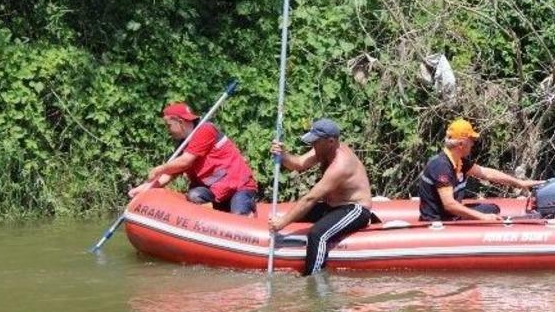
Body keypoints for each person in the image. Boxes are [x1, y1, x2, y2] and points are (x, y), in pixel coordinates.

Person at [268, 118, 373, 276]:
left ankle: (312, 278)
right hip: (334, 207)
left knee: (317, 234)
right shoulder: (323, 150)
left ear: (330, 141)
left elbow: (310, 199)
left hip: (355, 209)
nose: (313, 145)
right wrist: (283, 155)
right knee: (297, 214)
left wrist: (281, 223)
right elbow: (299, 164)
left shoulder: (341, 165)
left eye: (315, 142)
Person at [128, 102, 258, 215]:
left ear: (180, 122)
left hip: (239, 187)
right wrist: (145, 188)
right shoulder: (182, 144)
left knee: (239, 215)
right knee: (194, 195)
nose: (168, 130)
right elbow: (169, 174)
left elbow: (186, 161)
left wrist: (159, 169)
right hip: (214, 191)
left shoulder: (205, 130)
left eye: (168, 125)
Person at [418, 118, 545, 222]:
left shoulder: (459, 161)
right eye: (471, 140)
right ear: (461, 144)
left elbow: (486, 173)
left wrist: (519, 183)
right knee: (487, 215)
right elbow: (449, 204)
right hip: (440, 221)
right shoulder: (441, 166)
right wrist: (482, 217)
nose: (473, 144)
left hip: (450, 215)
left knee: (492, 209)